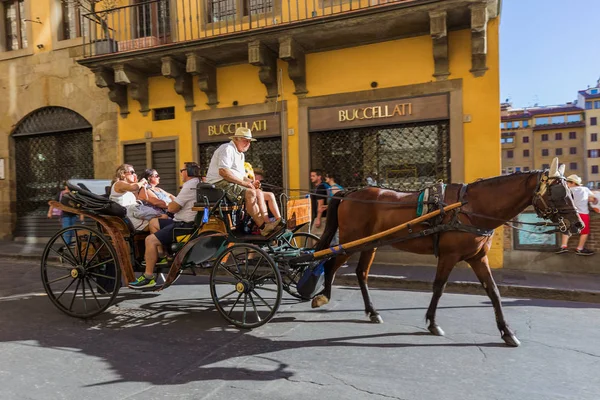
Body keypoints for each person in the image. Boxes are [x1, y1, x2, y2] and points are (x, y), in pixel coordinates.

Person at [129, 162, 201, 289]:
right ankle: (162, 253)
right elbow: (167, 201)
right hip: (185, 220)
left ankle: (148, 276)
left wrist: (171, 205)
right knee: (154, 222)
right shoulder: (198, 183)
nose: (181, 173)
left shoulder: (189, 185)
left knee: (150, 240)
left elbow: (173, 206)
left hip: (182, 224)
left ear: (188, 171)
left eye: (182, 170)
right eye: (156, 175)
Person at [205, 127, 282, 236]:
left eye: (249, 141)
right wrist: (245, 184)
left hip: (230, 183)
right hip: (218, 184)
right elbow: (223, 172)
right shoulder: (227, 148)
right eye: (245, 140)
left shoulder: (240, 155)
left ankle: (270, 222)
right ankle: (263, 227)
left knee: (260, 192)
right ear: (236, 139)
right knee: (251, 193)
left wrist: (251, 182)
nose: (248, 143)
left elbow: (240, 176)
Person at [109, 164, 158, 232]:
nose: (134, 174)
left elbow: (144, 198)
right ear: (123, 173)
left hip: (134, 214)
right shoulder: (118, 183)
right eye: (132, 172)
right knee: (156, 223)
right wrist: (141, 182)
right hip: (126, 219)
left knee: (160, 219)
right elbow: (134, 187)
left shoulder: (128, 188)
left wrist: (141, 185)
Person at [556, 174, 597, 256]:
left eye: (567, 182)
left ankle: (563, 247)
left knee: (567, 229)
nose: (566, 184)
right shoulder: (585, 189)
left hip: (569, 213)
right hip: (583, 213)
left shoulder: (566, 190)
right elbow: (592, 199)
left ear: (572, 183)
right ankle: (579, 249)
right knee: (584, 232)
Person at [309, 169, 330, 237]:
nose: (311, 177)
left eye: (313, 176)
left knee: (315, 237)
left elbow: (320, 204)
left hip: (322, 217)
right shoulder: (324, 186)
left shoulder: (320, 188)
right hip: (325, 216)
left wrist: (318, 219)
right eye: (311, 176)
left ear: (319, 177)